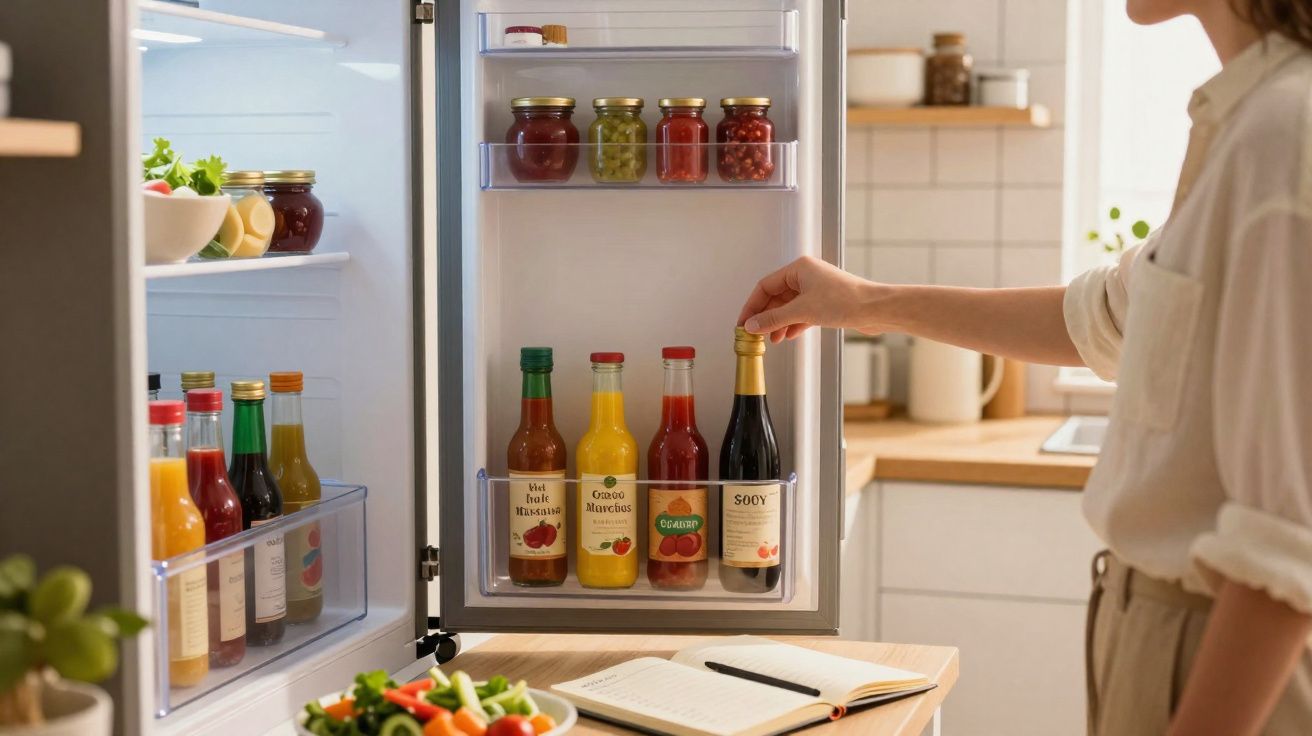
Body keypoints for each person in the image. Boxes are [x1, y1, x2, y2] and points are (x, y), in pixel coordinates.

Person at [738, 2, 1312, 734]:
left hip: (1219, 653)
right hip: (1155, 632)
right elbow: (1100, 319)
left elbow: (1289, 549)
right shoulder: (1244, 122)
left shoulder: (1285, 133)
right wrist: (860, 302)